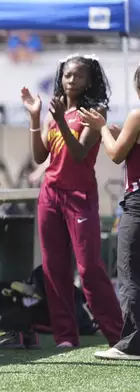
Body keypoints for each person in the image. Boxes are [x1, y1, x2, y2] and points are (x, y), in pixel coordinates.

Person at [20, 54, 122, 349]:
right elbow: (41, 157)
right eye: (67, 75)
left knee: (89, 267)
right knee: (54, 269)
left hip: (80, 197)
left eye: (79, 75)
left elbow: (78, 153)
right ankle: (66, 336)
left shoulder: (95, 111)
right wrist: (35, 117)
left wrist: (62, 121)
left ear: (90, 80)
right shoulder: (55, 112)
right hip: (50, 196)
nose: (72, 80)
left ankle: (118, 335)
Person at [79, 64, 140, 360]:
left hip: (138, 203)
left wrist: (102, 127)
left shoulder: (137, 115)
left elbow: (116, 154)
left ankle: (132, 344)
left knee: (131, 272)